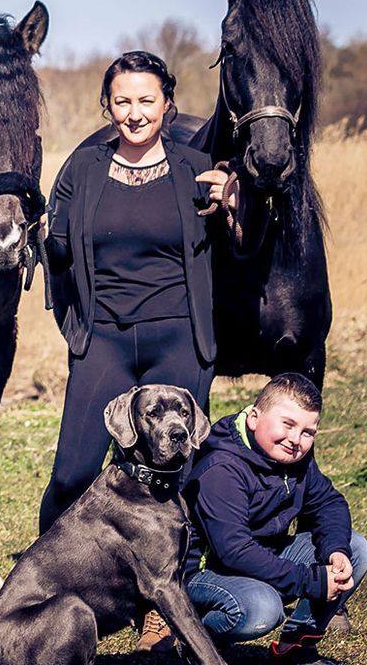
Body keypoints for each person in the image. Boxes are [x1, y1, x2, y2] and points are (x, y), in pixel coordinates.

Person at [40, 50, 233, 534]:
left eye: (146, 100)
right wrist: (39, 233)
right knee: (72, 474)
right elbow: (59, 252)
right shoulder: (83, 168)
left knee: (170, 475)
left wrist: (236, 205)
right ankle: (43, 584)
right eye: (121, 101)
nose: (135, 113)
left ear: (167, 103)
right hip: (103, 338)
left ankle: (155, 595)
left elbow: (244, 252)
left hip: (179, 340)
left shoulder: (199, 168)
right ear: (107, 105)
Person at [157, 373, 367, 665]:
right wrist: (311, 580)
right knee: (261, 609)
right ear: (255, 418)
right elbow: (234, 551)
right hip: (205, 573)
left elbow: (329, 503)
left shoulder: (295, 457)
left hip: (261, 557)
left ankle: (296, 653)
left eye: (308, 432)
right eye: (287, 424)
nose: (296, 439)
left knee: (355, 547)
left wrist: (335, 551)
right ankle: (199, 649)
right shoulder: (221, 468)